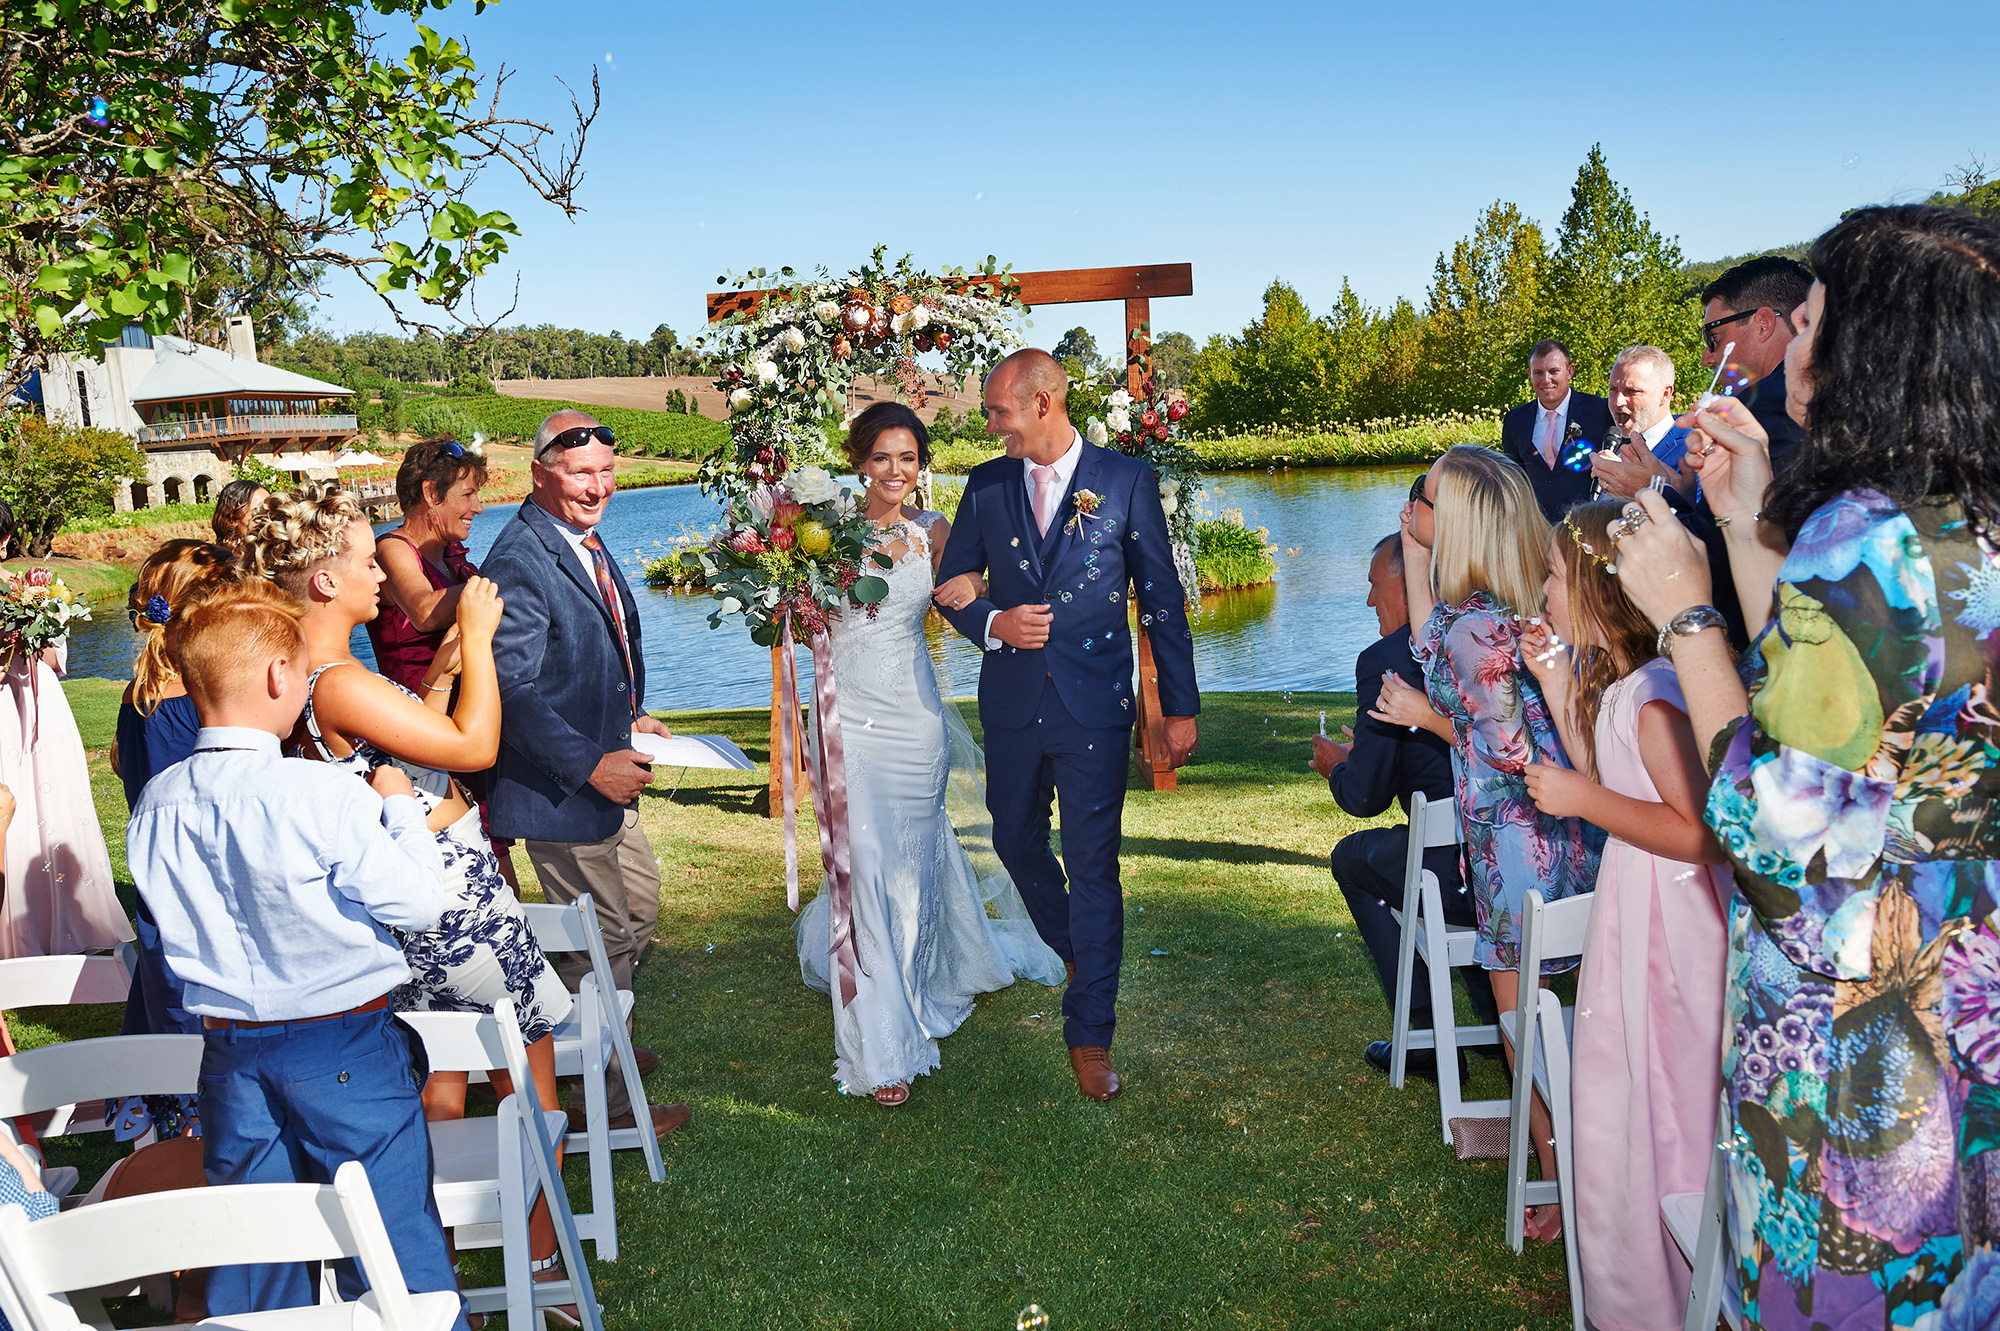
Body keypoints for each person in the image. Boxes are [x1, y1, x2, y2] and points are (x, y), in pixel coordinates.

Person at [1612, 205, 2000, 1328]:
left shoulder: (1864, 539)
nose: (1800, 338)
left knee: (1840, 1289)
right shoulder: (1962, 529)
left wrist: (1682, 609)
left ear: (1878, 345)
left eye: (1815, 317)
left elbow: (1774, 826)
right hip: (1964, 1004)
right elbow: (1844, 709)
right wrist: (1741, 528)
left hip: (1856, 1037)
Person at [244, 481, 588, 1307]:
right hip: (455, 908)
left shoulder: (317, 676)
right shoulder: (336, 679)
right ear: (324, 580)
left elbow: (405, 754)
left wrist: (436, 673)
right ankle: (541, 1270)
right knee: (529, 1089)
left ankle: (447, 1260)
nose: (383, 573)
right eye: (367, 559)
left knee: (452, 1080)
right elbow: (473, 747)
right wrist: (474, 632)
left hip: (417, 905)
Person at [124, 576, 467, 1329]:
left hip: (228, 1056)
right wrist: (399, 807)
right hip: (343, 1043)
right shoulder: (318, 794)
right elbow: (418, 902)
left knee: (256, 1253)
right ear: (280, 676)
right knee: (393, 1251)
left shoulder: (158, 802)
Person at [931, 348, 1200, 1101]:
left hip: (1094, 709)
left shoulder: (1124, 481)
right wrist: (993, 622)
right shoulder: (985, 486)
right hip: (1014, 706)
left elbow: (1162, 598)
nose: (991, 424)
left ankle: (1090, 1033)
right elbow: (953, 591)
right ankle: (1080, 952)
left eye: (998, 411)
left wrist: (1178, 707)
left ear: (1043, 403)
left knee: (1092, 865)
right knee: (1015, 840)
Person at [792, 403, 1064, 1105]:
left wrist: (987, 598)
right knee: (869, 861)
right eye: (882, 457)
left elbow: (970, 599)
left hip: (914, 719)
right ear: (858, 460)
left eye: (908, 458)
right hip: (845, 718)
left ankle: (920, 974)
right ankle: (881, 1043)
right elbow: (796, 625)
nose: (895, 471)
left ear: (922, 465)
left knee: (911, 859)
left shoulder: (935, 532)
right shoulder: (816, 531)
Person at [1517, 499, 1730, 1328]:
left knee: (1667, 1104)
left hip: (1672, 938)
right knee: (1626, 1100)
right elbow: (1597, 756)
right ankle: (1642, 1285)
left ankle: (1691, 1287)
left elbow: (1702, 834)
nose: (1541, 591)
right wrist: (1550, 675)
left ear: (1601, 592)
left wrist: (1584, 801)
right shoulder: (1618, 688)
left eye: (1553, 576)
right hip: (1634, 919)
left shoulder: (1658, 696)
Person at [1401, 444, 1600, 1238]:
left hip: (1515, 840)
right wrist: (1417, 554)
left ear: (1465, 521)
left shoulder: (1476, 627)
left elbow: (1502, 743)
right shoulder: (1510, 607)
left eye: (1427, 497)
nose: (1414, 502)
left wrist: (1428, 720)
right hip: (1558, 826)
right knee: (1560, 1014)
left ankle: (1559, 1190)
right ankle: (1576, 1173)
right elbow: (1429, 644)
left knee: (1525, 1031)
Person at [484, 411, 680, 1133]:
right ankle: (613, 1104)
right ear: (539, 474)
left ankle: (604, 1047)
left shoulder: (580, 539)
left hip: (602, 768)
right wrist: (591, 762)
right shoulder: (520, 557)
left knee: (638, 914)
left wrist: (628, 719)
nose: (598, 486)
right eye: (580, 474)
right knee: (603, 940)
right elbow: (513, 689)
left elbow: (588, 659)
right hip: (560, 792)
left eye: (606, 472)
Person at [1310, 533, 1496, 1080]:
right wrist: (1364, 753)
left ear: (1406, 578)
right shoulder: (1492, 636)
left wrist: (1339, 767)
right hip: (1512, 866)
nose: (1370, 601)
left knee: (1352, 858)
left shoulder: (1386, 660)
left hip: (1453, 876)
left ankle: (1422, 1036)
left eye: (1373, 585)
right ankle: (1493, 1017)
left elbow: (1364, 797)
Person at [108, 540, 238, 1139]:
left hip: (162, 891)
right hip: (200, 899)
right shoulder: (195, 706)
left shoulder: (142, 699)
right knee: (199, 1036)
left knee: (171, 1011)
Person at [0, 504, 132, 960]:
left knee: (49, 791)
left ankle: (62, 913)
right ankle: (18, 921)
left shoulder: (25, 591)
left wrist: (37, 629)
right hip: (5, 706)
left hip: (40, 702)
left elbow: (56, 660)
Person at [1688, 255, 1815, 649]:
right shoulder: (1761, 409)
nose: (1709, 356)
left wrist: (1652, 495)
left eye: (1714, 335)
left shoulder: (1770, 407)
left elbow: (1732, 540)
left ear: (1762, 322)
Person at [369, 436, 487, 694]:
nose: (477, 508)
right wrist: (495, 581)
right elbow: (424, 613)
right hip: (420, 718)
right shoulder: (392, 548)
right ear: (431, 493)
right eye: (468, 495)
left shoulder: (450, 552)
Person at [1500, 340, 1615, 522]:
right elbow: (1511, 476)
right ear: (1530, 375)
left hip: (1587, 523)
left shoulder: (1600, 411)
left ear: (1570, 372)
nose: (1546, 380)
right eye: (1538, 373)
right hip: (1534, 527)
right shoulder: (1515, 420)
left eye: (1554, 371)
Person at [1588, 346, 1694, 500]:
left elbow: (1699, 519)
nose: (1618, 401)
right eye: (1613, 389)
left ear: (1665, 394)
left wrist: (1634, 483)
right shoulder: (1609, 448)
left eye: (1631, 391)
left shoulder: (1693, 451)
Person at [208, 478, 269, 553]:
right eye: (258, 513)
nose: (269, 520)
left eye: (272, 512)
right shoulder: (217, 561)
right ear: (232, 518)